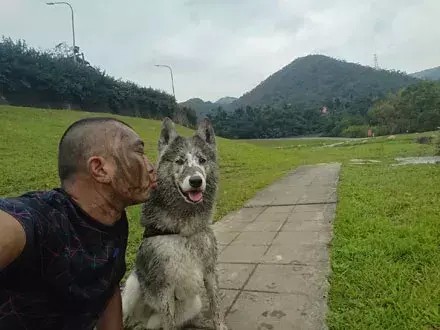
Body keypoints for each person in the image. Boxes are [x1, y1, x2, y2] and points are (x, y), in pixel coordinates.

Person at [0, 117, 157, 330]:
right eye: (139, 152)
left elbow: (108, 284)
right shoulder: (39, 219)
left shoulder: (113, 220)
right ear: (100, 169)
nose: (151, 166)